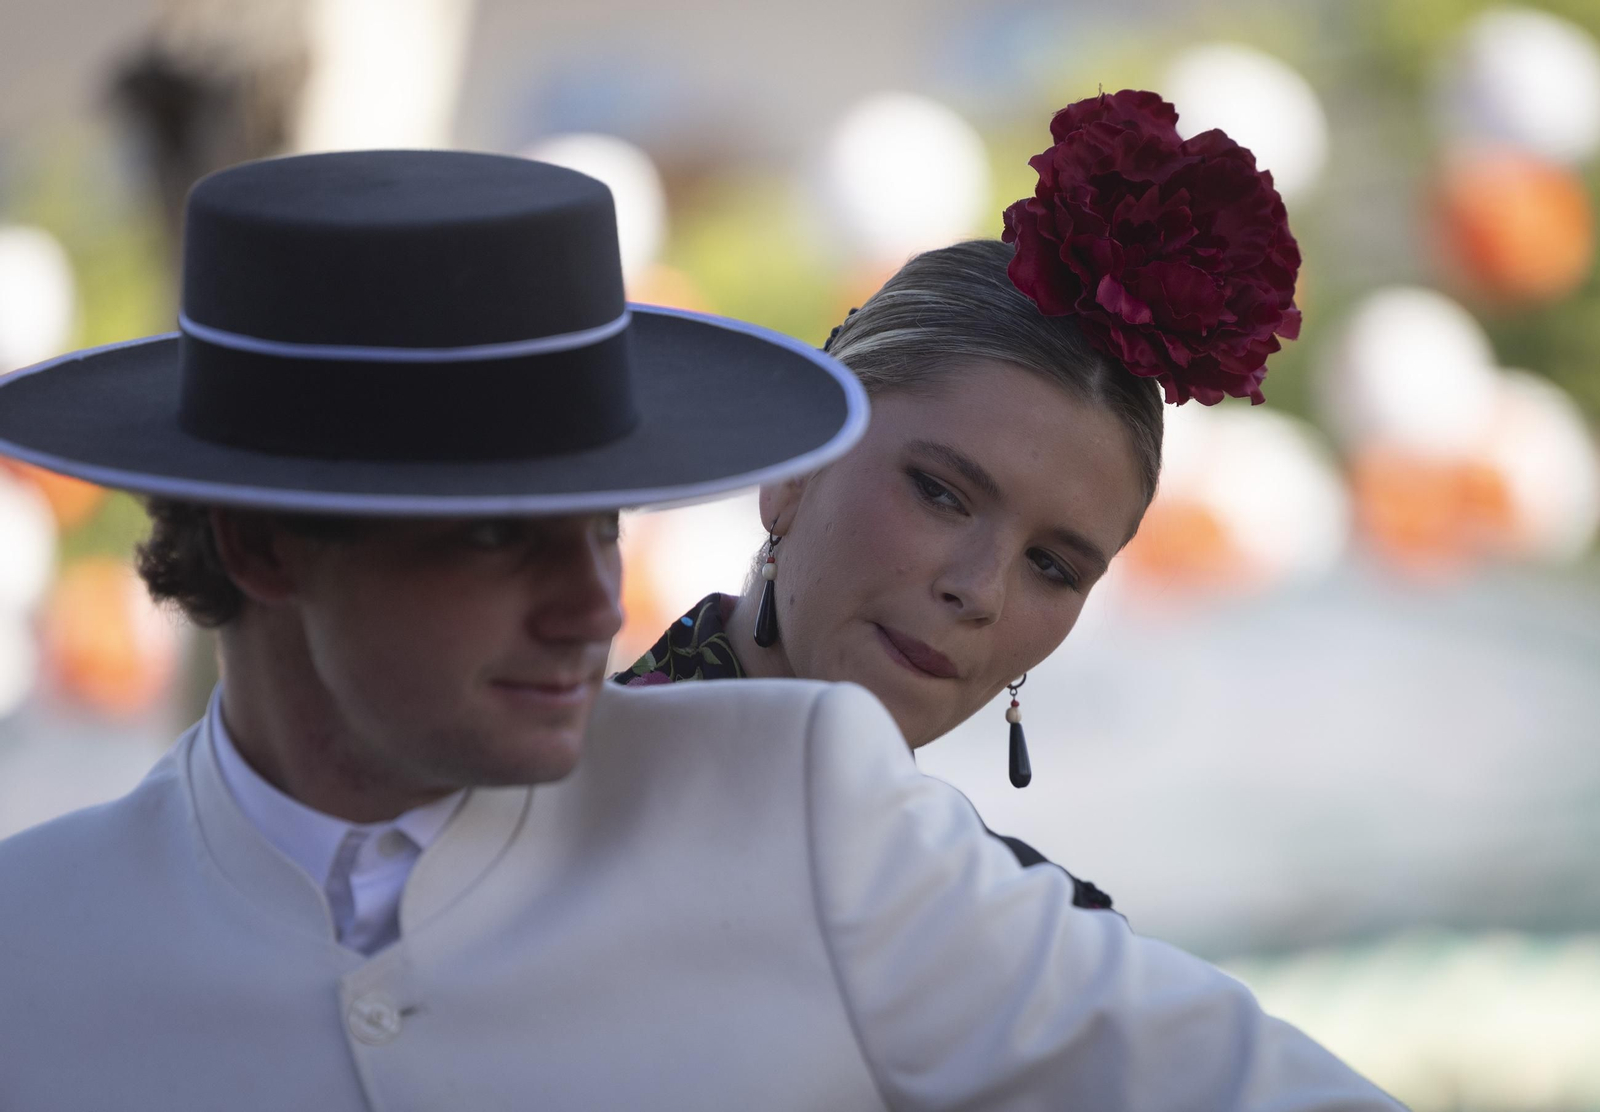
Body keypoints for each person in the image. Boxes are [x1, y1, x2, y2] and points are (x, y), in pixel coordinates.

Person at [0, 122, 1397, 1110]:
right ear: (258, 540)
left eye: (605, 519)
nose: (592, 599)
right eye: (497, 535)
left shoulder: (811, 816)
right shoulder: (31, 945)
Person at [619, 89, 1301, 913]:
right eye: (941, 493)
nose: (980, 590)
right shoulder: (501, 801)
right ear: (799, 464)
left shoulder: (1033, 939)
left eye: (1052, 565)